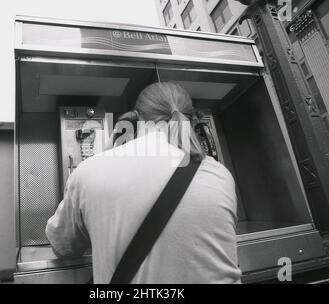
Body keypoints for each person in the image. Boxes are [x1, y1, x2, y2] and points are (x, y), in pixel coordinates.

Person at [46, 82, 241, 284]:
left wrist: (106, 153)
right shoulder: (221, 174)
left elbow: (62, 246)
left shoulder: (89, 171)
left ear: (136, 119)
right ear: (189, 121)